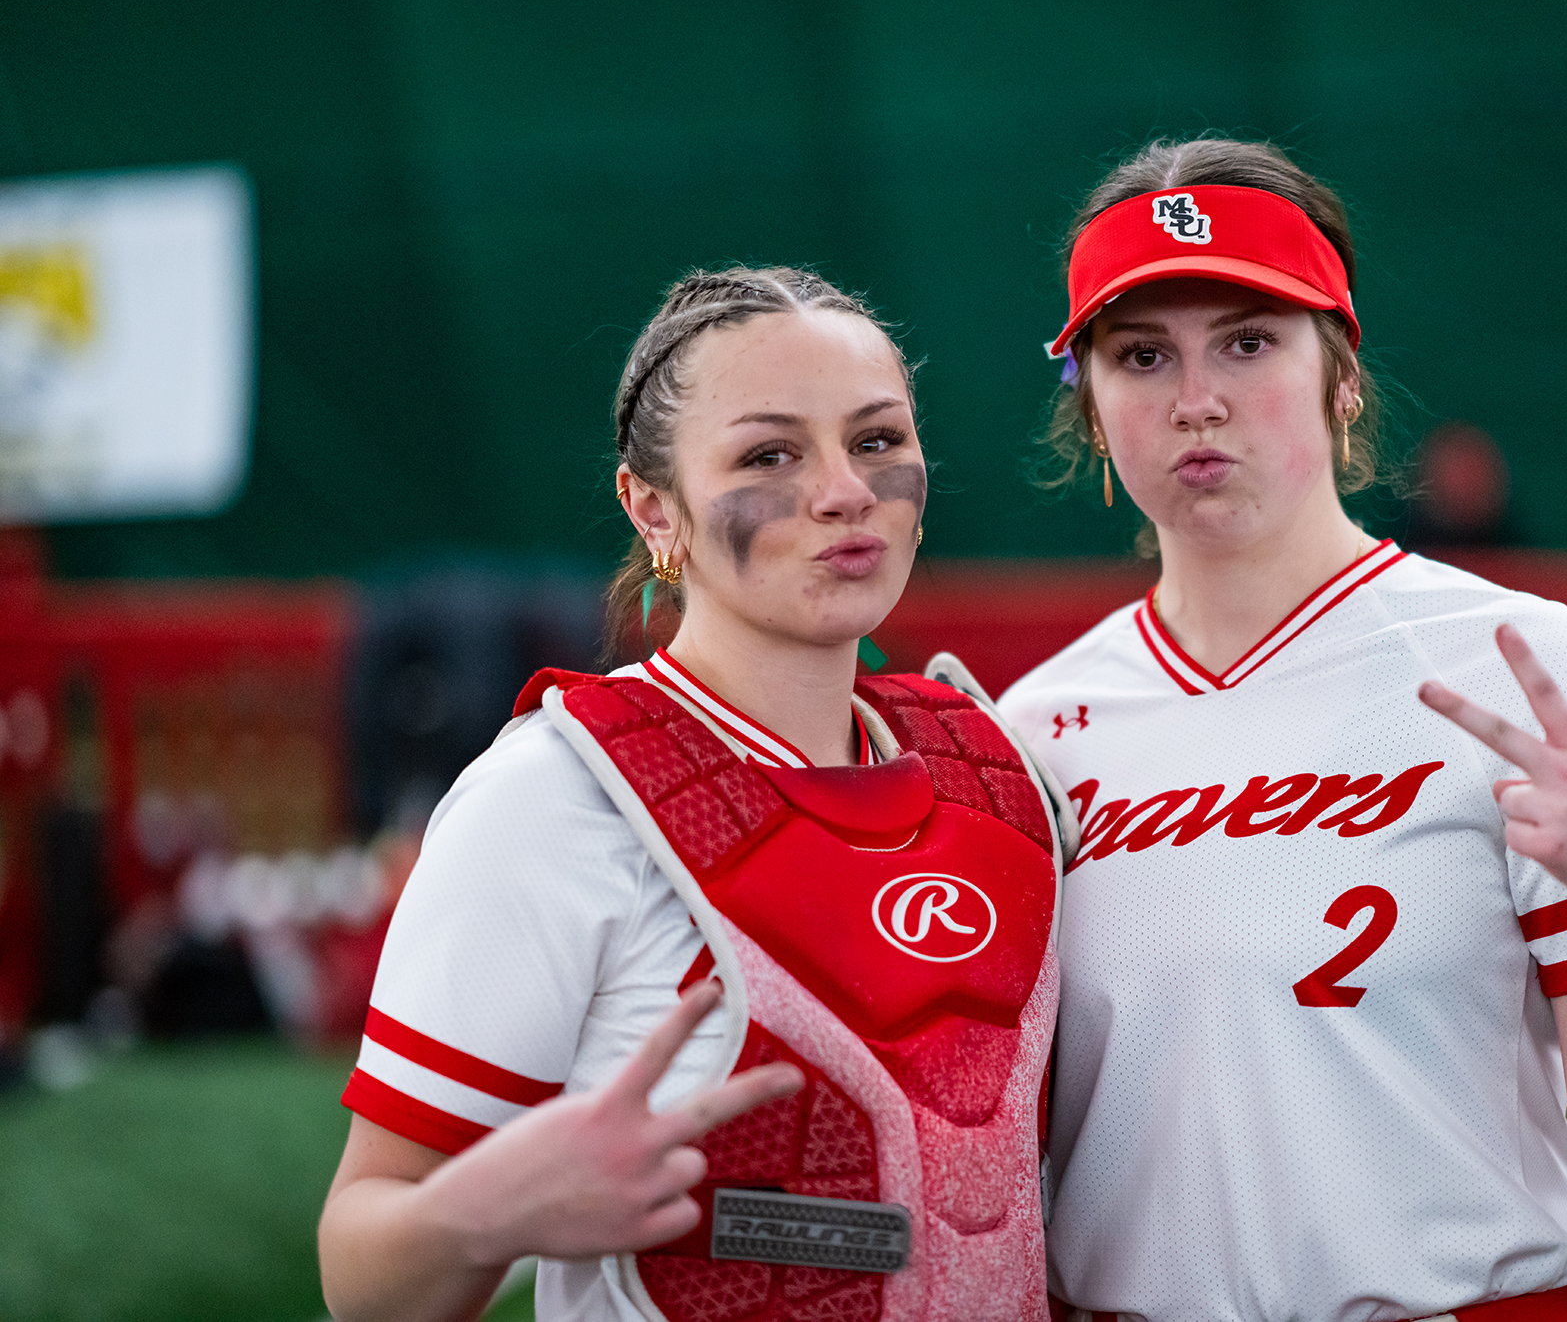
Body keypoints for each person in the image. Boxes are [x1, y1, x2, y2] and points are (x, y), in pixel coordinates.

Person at [996, 137, 1567, 1322]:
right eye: (1140, 354)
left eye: (1247, 342)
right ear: (1090, 410)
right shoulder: (1030, 732)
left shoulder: (1520, 668)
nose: (1194, 399)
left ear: (1339, 375)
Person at [318, 267, 1069, 1322]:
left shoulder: (999, 771)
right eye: (770, 454)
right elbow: (360, 1275)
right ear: (653, 508)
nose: (844, 490)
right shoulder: (554, 800)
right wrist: (482, 1216)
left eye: (876, 440)